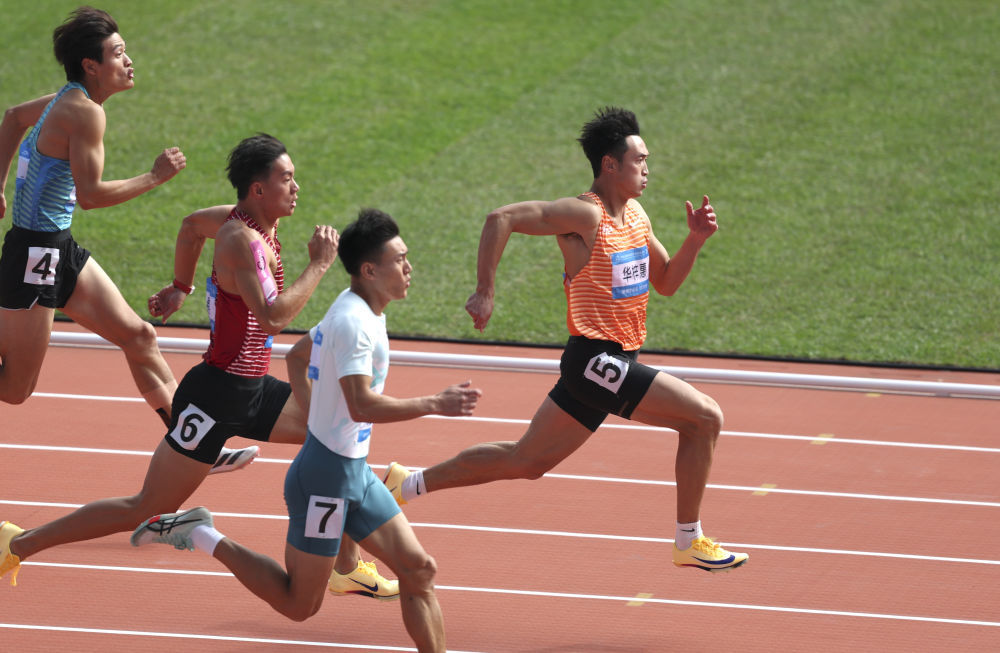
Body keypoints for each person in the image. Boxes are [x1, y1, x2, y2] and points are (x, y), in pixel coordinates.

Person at [1, 135, 392, 597]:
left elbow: (189, 227)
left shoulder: (238, 221)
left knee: (338, 438)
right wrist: (320, 265)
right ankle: (17, 543)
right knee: (144, 507)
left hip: (252, 389)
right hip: (214, 399)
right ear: (258, 189)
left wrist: (180, 287)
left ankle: (344, 566)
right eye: (287, 178)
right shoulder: (241, 240)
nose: (296, 187)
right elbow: (273, 317)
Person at [382, 107, 748, 572]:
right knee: (704, 418)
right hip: (595, 360)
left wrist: (694, 240)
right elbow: (501, 218)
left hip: (612, 362)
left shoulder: (636, 215)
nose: (647, 169)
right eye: (639, 160)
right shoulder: (585, 214)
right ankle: (688, 540)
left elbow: (667, 282)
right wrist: (485, 290)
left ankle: (405, 484)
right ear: (609, 165)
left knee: (525, 460)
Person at [130, 209, 481, 653]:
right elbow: (360, 404)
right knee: (299, 605)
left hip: (353, 471)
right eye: (400, 260)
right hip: (324, 483)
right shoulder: (354, 324)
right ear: (369, 270)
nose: (409, 267)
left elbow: (297, 356)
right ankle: (201, 533)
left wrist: (320, 421)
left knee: (419, 570)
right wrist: (435, 403)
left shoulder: (362, 308)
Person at [0, 6, 185, 427]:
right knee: (14, 388)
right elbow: (91, 196)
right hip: (36, 255)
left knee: (139, 336)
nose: (129, 60)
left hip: (56, 247)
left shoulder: (66, 99)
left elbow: (12, 118)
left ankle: (192, 444)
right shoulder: (84, 111)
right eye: (118, 54)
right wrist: (154, 177)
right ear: (91, 66)